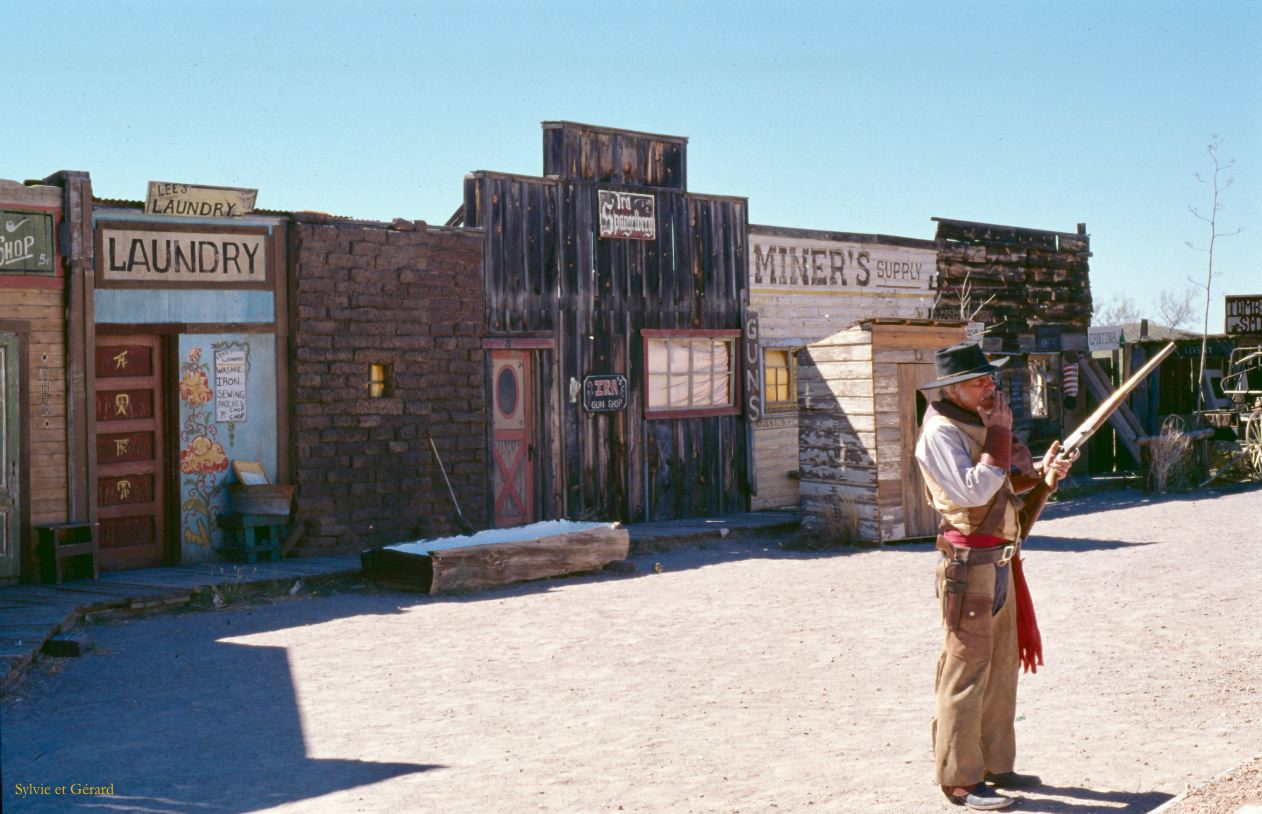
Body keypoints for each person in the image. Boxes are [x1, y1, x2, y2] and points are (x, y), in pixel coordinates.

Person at [914, 342, 1073, 811]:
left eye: (989, 379)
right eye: (981, 381)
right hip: (969, 570)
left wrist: (1044, 475)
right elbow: (976, 490)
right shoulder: (939, 432)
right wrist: (1001, 433)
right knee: (964, 675)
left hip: (998, 562)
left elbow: (1006, 484)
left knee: (1000, 669)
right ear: (952, 388)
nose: (991, 387)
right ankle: (959, 780)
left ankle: (995, 764)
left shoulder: (975, 422)